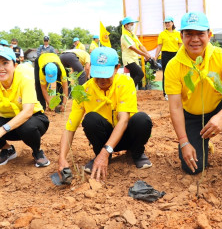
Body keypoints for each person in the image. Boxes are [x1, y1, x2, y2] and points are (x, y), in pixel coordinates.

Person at [165, 11, 222, 181]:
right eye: (189, 34)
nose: (195, 39)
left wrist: (220, 117)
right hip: (192, 115)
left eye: (200, 34)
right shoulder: (174, 66)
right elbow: (175, 107)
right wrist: (184, 142)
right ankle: (202, 143)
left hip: (219, 108)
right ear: (181, 36)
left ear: (209, 35)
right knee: (193, 169)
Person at [57, 47, 153, 181]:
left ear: (116, 68)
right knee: (90, 119)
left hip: (126, 136)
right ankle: (100, 155)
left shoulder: (125, 82)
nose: (101, 79)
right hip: (103, 139)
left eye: (106, 75)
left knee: (142, 119)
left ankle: (136, 153)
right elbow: (70, 127)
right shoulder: (84, 90)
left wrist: (105, 151)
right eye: (98, 74)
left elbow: (124, 120)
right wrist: (61, 158)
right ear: (90, 68)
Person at [0, 47, 50, 167]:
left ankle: (37, 151)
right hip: (8, 121)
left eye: (5, 63)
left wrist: (2, 129)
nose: (1, 68)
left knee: (27, 127)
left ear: (15, 65)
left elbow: (27, 112)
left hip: (33, 119)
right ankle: (7, 149)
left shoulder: (25, 80)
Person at [154, 16, 182, 100]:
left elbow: (180, 45)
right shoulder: (162, 34)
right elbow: (159, 46)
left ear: (172, 23)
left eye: (168, 22)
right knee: (166, 74)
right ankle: (165, 93)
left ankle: (178, 92)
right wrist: (155, 57)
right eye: (165, 23)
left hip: (176, 55)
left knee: (177, 73)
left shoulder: (177, 34)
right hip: (165, 55)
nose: (167, 24)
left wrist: (181, 55)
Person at [120, 16, 152, 86]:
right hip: (128, 59)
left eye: (133, 24)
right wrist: (145, 55)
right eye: (131, 24)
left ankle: (131, 94)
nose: (132, 26)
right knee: (140, 74)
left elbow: (140, 46)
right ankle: (128, 90)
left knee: (134, 77)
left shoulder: (133, 35)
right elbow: (133, 48)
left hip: (134, 59)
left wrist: (147, 54)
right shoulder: (124, 36)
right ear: (126, 25)